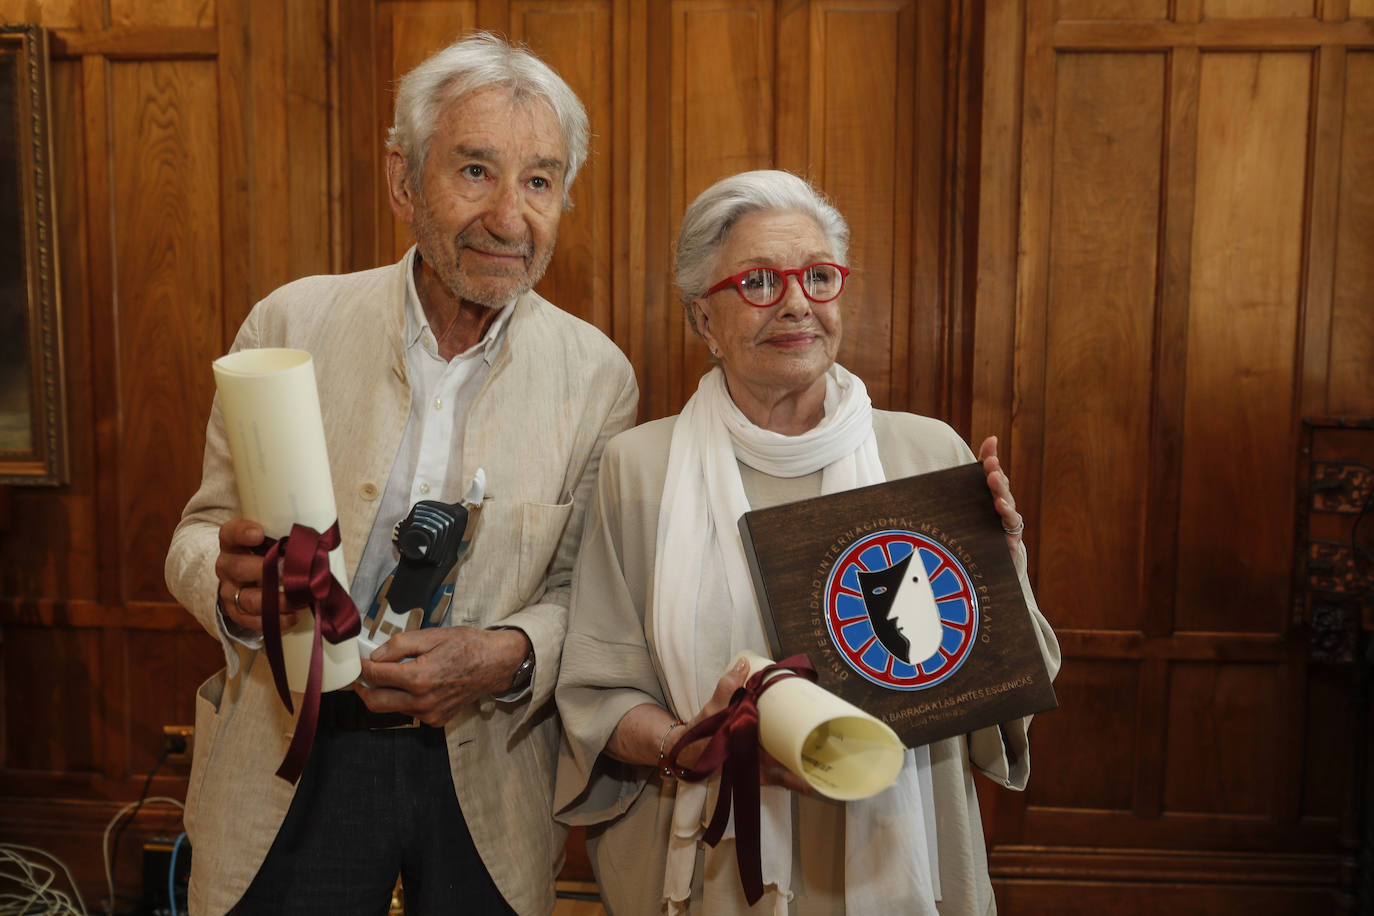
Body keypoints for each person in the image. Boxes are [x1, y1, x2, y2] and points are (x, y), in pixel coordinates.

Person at [165, 32, 638, 916]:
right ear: (402, 182)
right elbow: (198, 533)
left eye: (539, 181)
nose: (510, 216)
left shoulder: (599, 376)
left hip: (487, 773)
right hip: (290, 753)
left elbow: (594, 596)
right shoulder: (290, 322)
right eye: (474, 171)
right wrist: (227, 590)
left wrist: (504, 653)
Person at [554, 170, 1060, 915]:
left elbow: (1013, 680)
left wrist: (1000, 568)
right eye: (760, 281)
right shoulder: (641, 469)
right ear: (703, 318)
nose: (797, 302)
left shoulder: (926, 455)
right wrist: (688, 744)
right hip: (718, 869)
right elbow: (598, 691)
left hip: (902, 841)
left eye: (819, 277)